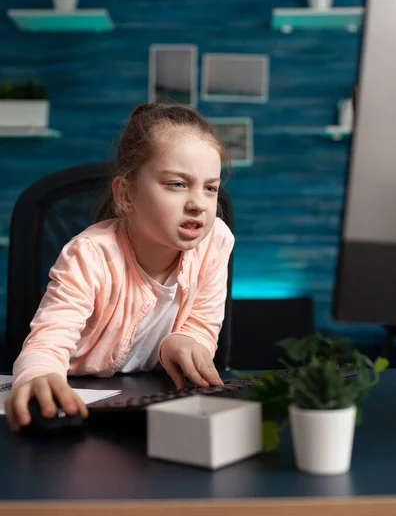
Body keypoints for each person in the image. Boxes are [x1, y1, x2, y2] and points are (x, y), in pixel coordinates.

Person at [5, 103, 234, 433]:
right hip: (79, 406)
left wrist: (182, 342)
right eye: (176, 184)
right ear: (126, 194)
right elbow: (47, 343)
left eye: (210, 187)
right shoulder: (89, 255)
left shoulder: (216, 241)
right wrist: (39, 376)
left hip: (150, 409)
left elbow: (202, 325)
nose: (198, 203)